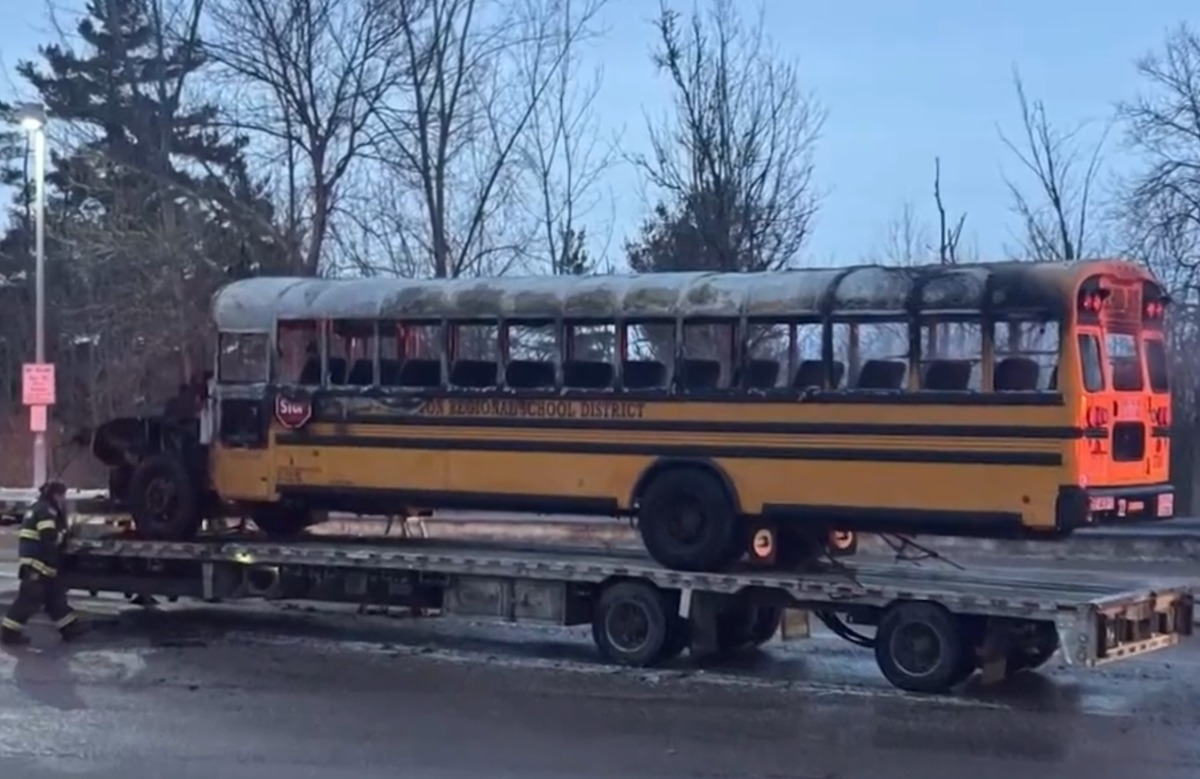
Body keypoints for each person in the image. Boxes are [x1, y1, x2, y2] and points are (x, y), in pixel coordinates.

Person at [0, 480, 87, 646]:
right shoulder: (46, 511)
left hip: (41, 564)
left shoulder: (40, 507)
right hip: (37, 565)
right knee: (28, 600)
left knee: (55, 598)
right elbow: (49, 537)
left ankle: (69, 628)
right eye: (62, 495)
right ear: (55, 495)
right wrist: (64, 534)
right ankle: (9, 633)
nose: (63, 499)